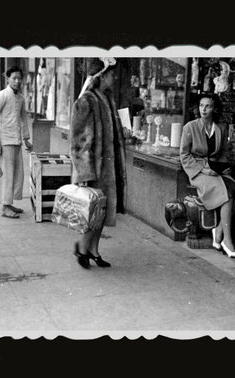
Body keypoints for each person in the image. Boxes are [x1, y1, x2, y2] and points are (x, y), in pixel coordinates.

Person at [70, 57, 129, 269]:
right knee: (91, 212)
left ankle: (93, 250)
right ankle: (82, 248)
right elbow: (78, 142)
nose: (115, 78)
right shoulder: (86, 101)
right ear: (102, 75)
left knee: (101, 212)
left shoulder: (107, 98)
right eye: (112, 74)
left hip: (108, 169)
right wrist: (85, 174)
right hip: (94, 170)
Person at [180, 92, 235, 258]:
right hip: (198, 171)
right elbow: (184, 155)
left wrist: (222, 167)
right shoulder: (190, 127)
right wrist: (203, 170)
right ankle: (226, 241)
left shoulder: (220, 128)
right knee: (226, 194)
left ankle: (219, 229)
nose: (204, 109)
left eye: (208, 106)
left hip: (215, 170)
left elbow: (222, 153)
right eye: (201, 106)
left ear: (214, 108)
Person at [0, 66, 33, 218]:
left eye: (19, 78)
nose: (17, 81)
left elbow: (23, 119)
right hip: (4, 141)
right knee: (7, 175)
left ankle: (9, 203)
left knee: (17, 174)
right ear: (7, 78)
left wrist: (26, 140)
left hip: (16, 141)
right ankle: (4, 207)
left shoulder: (21, 98)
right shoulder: (1, 96)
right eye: (14, 78)